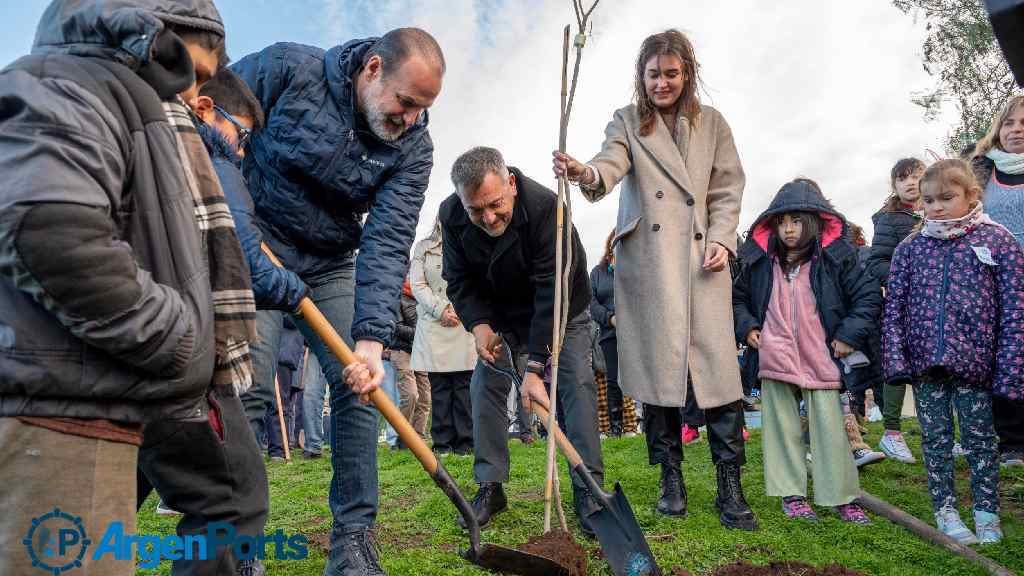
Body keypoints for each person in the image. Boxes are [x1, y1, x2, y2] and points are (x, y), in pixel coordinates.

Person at [0, 2, 265, 574]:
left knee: (225, 500)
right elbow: (46, 229)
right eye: (190, 71)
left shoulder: (129, 103)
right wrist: (176, 334)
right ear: (153, 36)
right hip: (61, 411)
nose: (190, 95)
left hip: (102, 393)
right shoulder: (70, 85)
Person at [231, 28, 445, 575]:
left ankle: (352, 541)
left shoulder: (413, 148)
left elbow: (389, 237)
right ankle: (238, 544)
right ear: (372, 69)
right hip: (253, 244)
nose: (411, 119)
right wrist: (233, 225)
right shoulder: (285, 70)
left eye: (423, 109)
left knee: (359, 386)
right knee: (247, 387)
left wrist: (372, 340)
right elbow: (208, 126)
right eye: (405, 102)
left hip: (330, 263)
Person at [553, 29, 754, 530]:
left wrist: (724, 238)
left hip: (701, 263)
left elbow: (728, 187)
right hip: (651, 265)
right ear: (641, 78)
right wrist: (585, 173)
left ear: (687, 74)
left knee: (719, 377)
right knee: (658, 377)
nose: (662, 83)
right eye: (653, 74)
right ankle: (671, 478)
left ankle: (731, 485)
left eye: (671, 73)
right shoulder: (627, 121)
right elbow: (610, 163)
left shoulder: (714, 125)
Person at [440, 146, 604, 537]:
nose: (489, 218)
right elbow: (459, 281)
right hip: (502, 318)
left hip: (562, 309)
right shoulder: (451, 215)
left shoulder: (548, 210)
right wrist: (479, 326)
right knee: (485, 386)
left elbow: (552, 291)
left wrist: (536, 369)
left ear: (511, 184)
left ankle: (589, 490)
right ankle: (490, 487)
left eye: (495, 205)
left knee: (575, 386)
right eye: (476, 211)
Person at [883, 159, 1024, 544]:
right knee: (936, 439)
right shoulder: (910, 248)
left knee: (980, 440)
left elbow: (1015, 309)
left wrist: (1009, 369)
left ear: (971, 195)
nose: (937, 207)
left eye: (947, 198)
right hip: (927, 363)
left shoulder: (998, 241)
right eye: (929, 200)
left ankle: (986, 511)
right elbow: (893, 307)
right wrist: (896, 359)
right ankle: (945, 508)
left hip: (976, 364)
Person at [733, 178, 880, 525]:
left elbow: (868, 297)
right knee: (781, 429)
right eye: (781, 222)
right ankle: (792, 495)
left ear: (814, 221)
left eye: (796, 221)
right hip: (774, 357)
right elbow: (737, 299)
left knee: (830, 429)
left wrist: (848, 336)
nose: (787, 229)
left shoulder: (837, 259)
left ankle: (842, 496)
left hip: (822, 357)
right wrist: (749, 327)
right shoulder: (759, 263)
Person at [971, 95, 1024, 469]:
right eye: (1009, 124)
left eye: (1023, 124)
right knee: (1004, 359)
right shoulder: (979, 171)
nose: (1016, 130)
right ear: (998, 129)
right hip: (993, 282)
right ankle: (1011, 442)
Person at [866, 157, 926, 465]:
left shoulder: (941, 212)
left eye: (916, 176)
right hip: (903, 301)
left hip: (938, 302)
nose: (910, 182)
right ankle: (892, 431)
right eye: (902, 178)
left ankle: (939, 433)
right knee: (896, 364)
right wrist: (908, 276)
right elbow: (877, 262)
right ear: (894, 185)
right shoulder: (888, 220)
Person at [410, 219, 477, 456]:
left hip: (462, 321)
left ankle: (466, 442)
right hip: (434, 321)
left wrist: (460, 308)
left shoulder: (470, 242)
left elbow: (476, 279)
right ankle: (442, 442)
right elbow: (417, 284)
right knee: (439, 387)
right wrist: (440, 310)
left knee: (463, 386)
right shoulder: (424, 248)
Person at [590, 229, 627, 437]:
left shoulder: (633, 268)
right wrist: (610, 318)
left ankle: (647, 424)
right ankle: (616, 428)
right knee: (613, 381)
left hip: (634, 333)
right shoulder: (596, 273)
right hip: (608, 333)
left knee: (640, 379)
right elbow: (591, 302)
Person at [387, 278, 429, 450]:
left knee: (425, 398)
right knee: (410, 395)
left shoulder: (424, 298)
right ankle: (402, 437)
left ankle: (418, 438)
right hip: (402, 351)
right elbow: (395, 327)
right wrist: (421, 332)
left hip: (421, 352)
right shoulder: (397, 298)